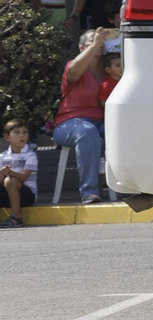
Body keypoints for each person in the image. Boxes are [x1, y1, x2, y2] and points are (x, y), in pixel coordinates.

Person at [50, 27, 112, 203]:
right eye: (92, 40)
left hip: (101, 122)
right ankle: (90, 192)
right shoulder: (73, 65)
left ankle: (127, 188)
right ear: (82, 48)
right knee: (87, 132)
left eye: (101, 41)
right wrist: (96, 45)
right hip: (70, 123)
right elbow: (74, 72)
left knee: (119, 132)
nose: (99, 43)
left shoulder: (110, 69)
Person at [0, 119, 38, 227]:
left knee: (10, 180)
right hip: (8, 194)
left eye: (25, 132)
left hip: (26, 195)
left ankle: (16, 217)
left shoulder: (31, 155)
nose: (22, 135)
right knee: (7, 180)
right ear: (7, 137)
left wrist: (9, 173)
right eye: (17, 132)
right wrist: (2, 174)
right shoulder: (2, 157)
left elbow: (23, 178)